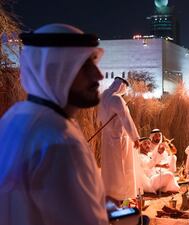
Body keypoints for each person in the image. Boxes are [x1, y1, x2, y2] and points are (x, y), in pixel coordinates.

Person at [0, 24, 108, 225]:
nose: (98, 76)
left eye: (94, 63)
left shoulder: (15, 116)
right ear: (54, 71)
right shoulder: (60, 142)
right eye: (84, 66)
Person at [98, 77, 142, 203]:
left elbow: (100, 117)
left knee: (109, 166)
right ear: (121, 86)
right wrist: (135, 137)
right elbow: (126, 119)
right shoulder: (117, 99)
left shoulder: (103, 96)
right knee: (121, 166)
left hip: (106, 137)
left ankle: (109, 193)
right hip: (119, 138)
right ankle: (121, 195)